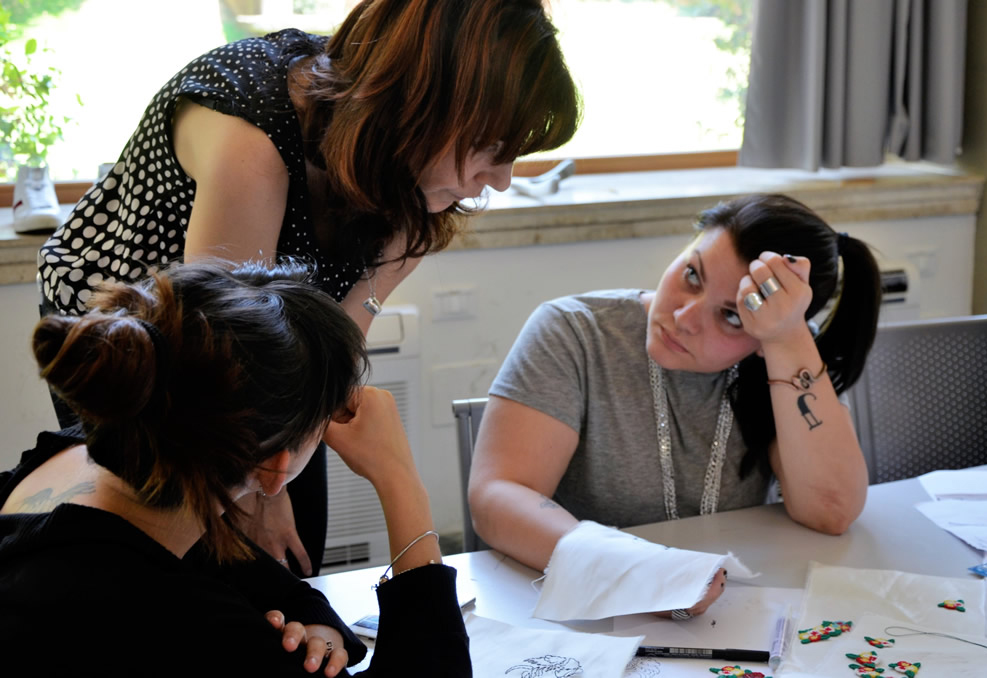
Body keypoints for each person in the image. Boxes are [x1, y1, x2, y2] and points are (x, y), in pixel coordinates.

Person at [36, 0, 581, 576]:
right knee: (170, 560)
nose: (502, 180)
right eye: (492, 148)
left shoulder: (409, 172)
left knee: (292, 546)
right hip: (143, 339)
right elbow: (226, 372)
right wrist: (263, 496)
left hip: (255, 350)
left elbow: (338, 340)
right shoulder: (252, 139)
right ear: (423, 108)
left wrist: (281, 484)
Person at [0, 260, 470, 676]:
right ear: (275, 468)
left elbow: (250, 575)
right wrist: (399, 481)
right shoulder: (183, 627)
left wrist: (318, 623)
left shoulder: (89, 465)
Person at [468, 193, 882, 617]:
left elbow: (831, 512)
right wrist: (636, 574)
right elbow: (496, 496)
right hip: (590, 611)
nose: (685, 317)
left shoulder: (785, 352)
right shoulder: (573, 331)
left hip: (737, 608)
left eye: (732, 316)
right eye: (692, 275)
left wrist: (786, 340)